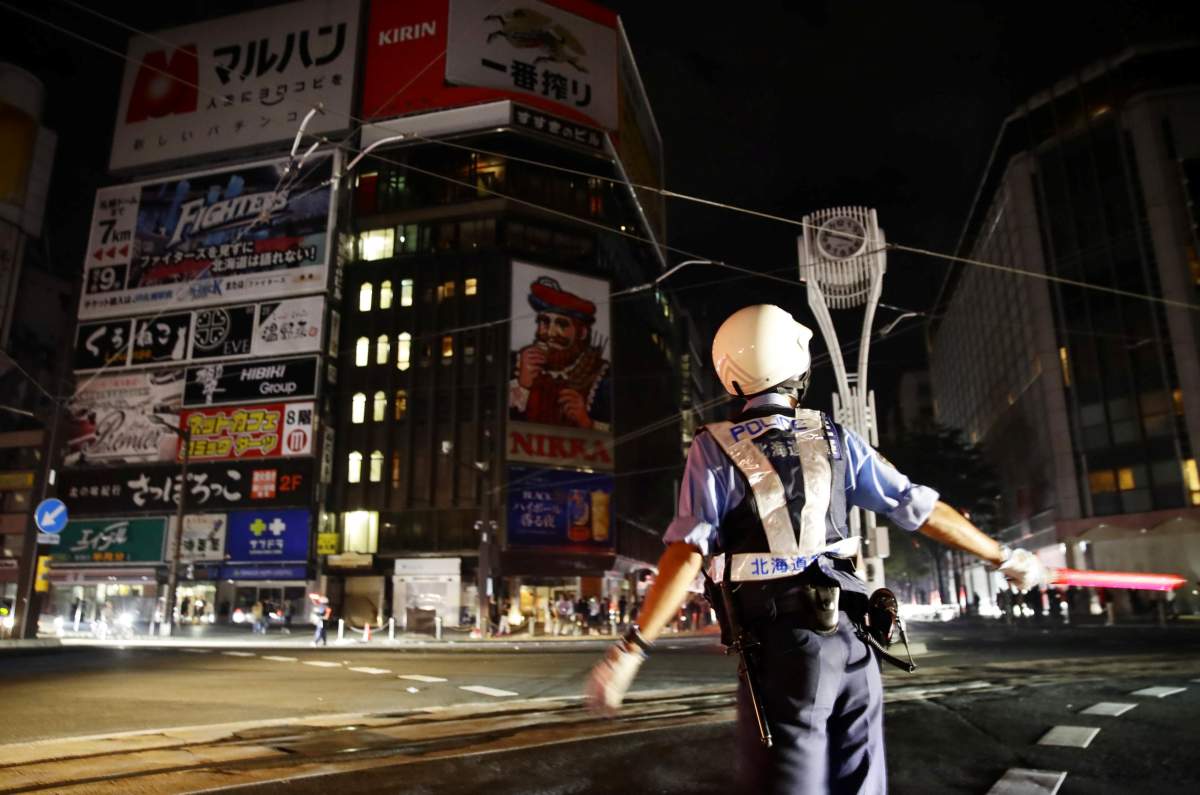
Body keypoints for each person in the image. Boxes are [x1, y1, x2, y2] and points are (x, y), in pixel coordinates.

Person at [584, 304, 1048, 794]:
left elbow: (687, 553)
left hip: (785, 655)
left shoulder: (714, 447)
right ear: (796, 368)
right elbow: (918, 506)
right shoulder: (834, 436)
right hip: (854, 642)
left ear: (729, 375)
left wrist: (630, 650)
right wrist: (1005, 556)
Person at [509, 276, 611, 431]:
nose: (550, 332)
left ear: (582, 332)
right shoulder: (516, 362)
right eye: (544, 322)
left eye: (561, 324)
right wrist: (522, 386)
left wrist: (586, 421)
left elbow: (621, 433)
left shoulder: (602, 375)